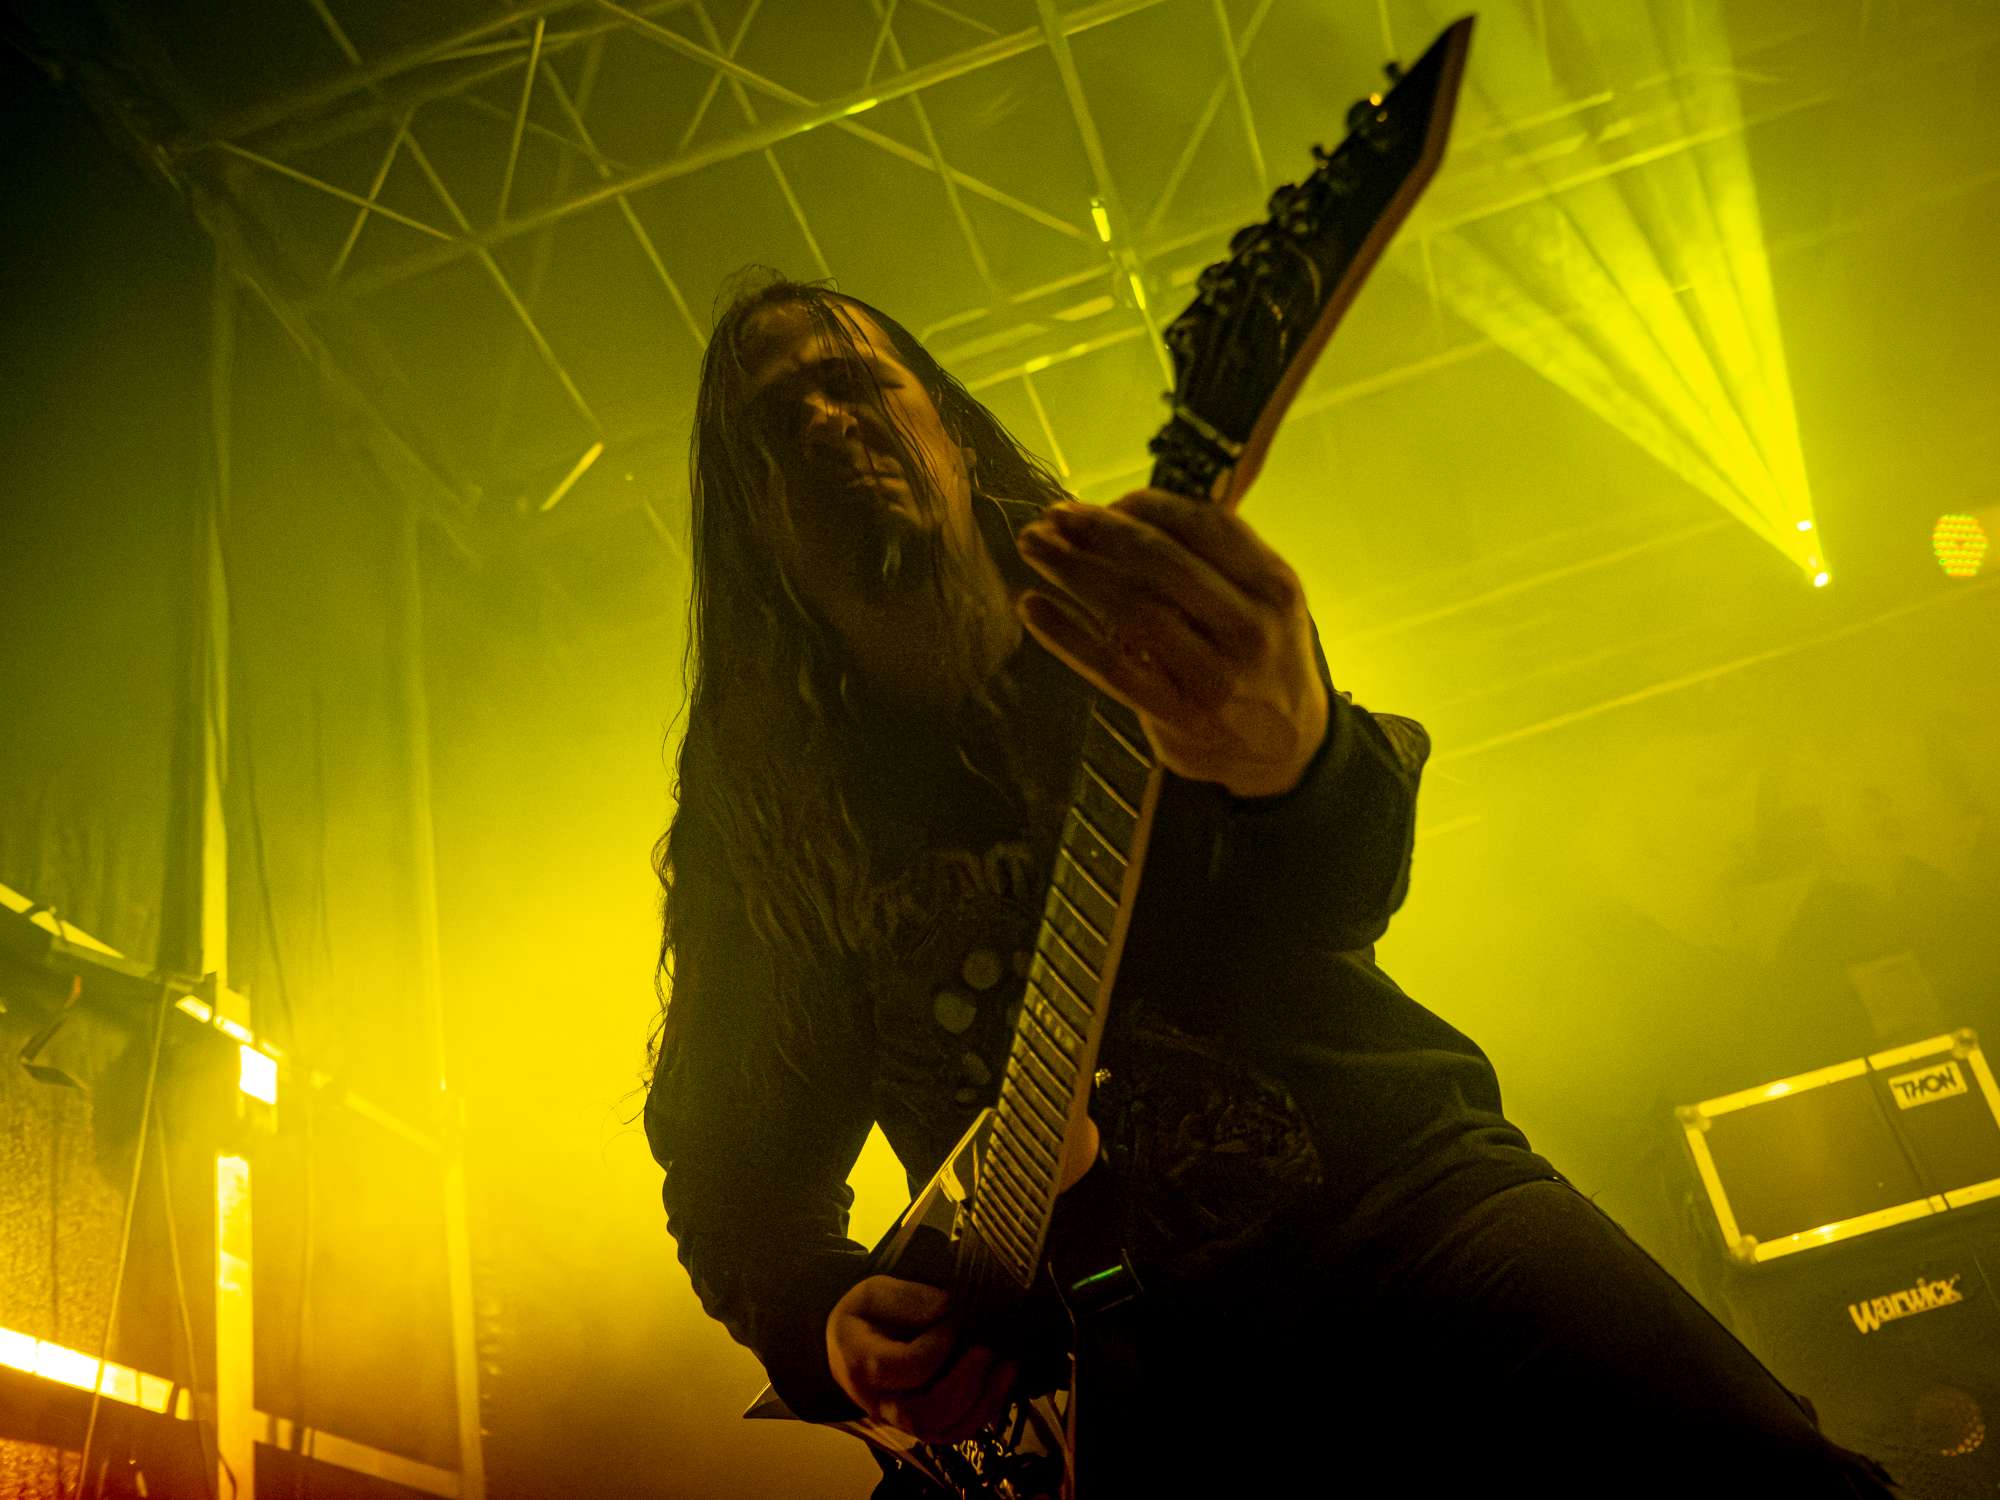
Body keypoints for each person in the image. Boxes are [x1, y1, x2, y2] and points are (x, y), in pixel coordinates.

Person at [643, 270, 1895, 1494]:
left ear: (950, 427)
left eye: (854, 380)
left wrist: (1298, 755)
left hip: (1400, 1203)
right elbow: (732, 1177)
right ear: (749, 519)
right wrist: (827, 1324)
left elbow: (1339, 893)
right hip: (1103, 1370)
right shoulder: (757, 815)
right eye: (774, 421)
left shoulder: (1141, 621)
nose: (823, 419)